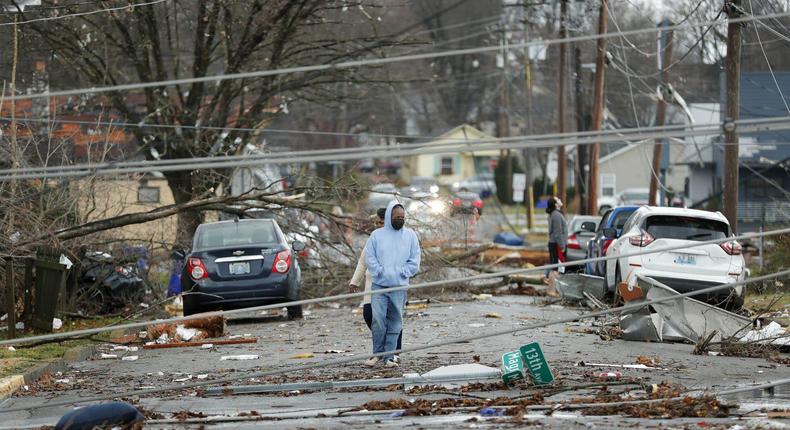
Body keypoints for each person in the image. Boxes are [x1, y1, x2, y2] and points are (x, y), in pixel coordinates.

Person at [363, 200, 420, 368]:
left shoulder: (410, 235)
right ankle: (377, 354)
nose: (400, 219)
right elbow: (369, 257)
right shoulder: (376, 235)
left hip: (399, 286)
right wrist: (379, 271)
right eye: (396, 217)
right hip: (379, 286)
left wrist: (403, 273)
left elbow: (415, 260)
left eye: (402, 217)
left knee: (396, 321)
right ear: (389, 216)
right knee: (378, 320)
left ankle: (390, 357)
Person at [349, 208, 403, 354]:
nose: (378, 225)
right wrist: (355, 281)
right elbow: (363, 261)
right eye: (376, 223)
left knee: (392, 319)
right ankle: (384, 349)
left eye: (381, 222)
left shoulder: (398, 238)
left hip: (391, 285)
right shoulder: (373, 238)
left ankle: (393, 352)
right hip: (371, 284)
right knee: (369, 315)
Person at [546, 196, 568, 280]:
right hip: (557, 244)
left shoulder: (555, 214)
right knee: (557, 268)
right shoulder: (556, 215)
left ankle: (552, 290)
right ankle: (553, 290)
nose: (560, 200)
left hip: (555, 243)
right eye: (558, 199)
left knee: (555, 267)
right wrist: (562, 246)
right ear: (555, 204)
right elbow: (557, 233)